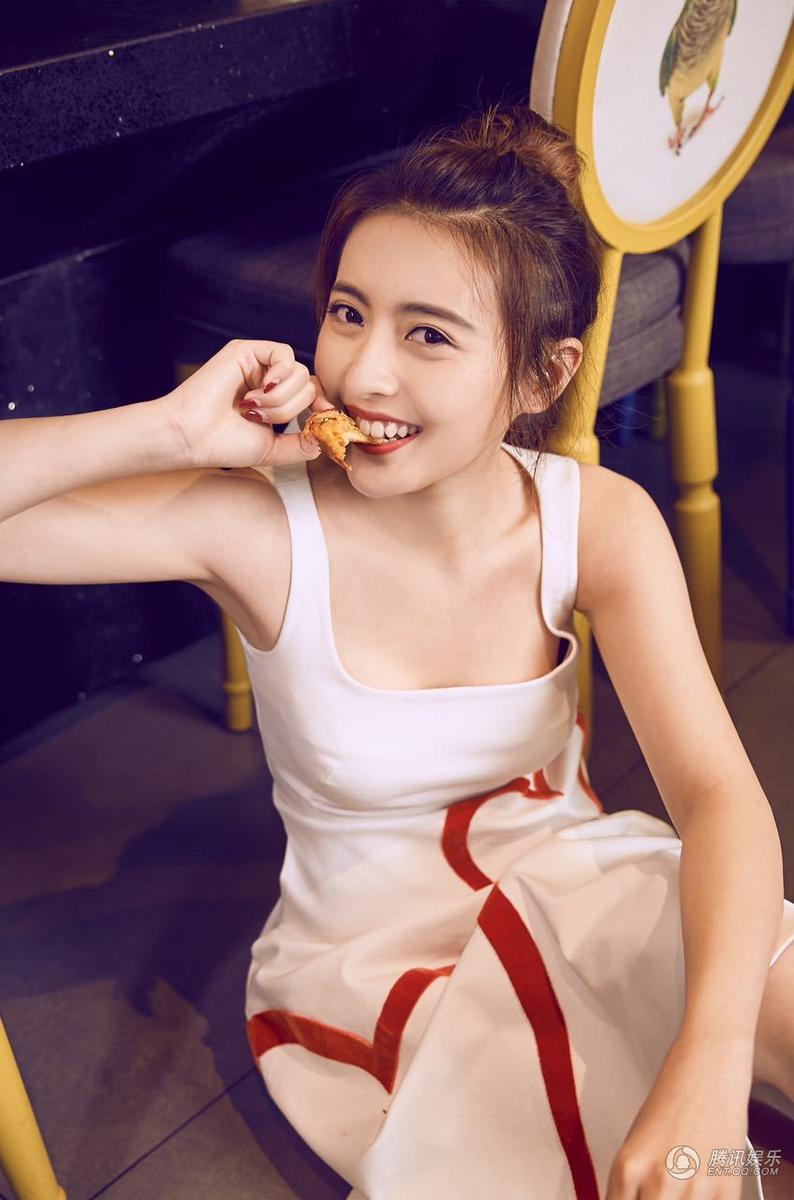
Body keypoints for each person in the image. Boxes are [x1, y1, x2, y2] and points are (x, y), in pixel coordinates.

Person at [1, 103, 793, 1200]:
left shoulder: (594, 522)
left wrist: (710, 1058)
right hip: (378, 967)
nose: (363, 373)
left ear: (541, 376)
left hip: (581, 882)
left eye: (427, 334)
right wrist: (166, 431)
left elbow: (715, 797)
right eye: (347, 313)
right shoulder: (259, 531)